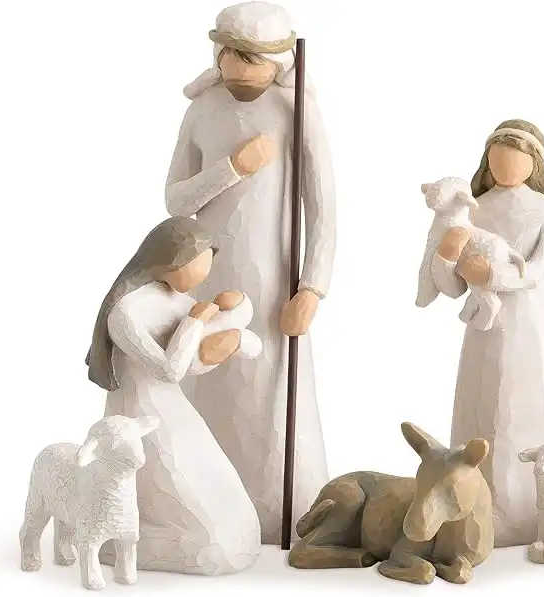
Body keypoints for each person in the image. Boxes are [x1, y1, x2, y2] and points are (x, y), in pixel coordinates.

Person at [164, 1, 336, 543]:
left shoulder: (297, 110)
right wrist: (232, 169)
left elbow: (323, 209)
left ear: (277, 61)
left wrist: (312, 287)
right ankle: (209, 509)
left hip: (274, 284)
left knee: (273, 390)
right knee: (210, 382)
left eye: (252, 57)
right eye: (230, 54)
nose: (237, 66)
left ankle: (288, 510)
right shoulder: (203, 110)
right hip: (208, 278)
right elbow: (176, 201)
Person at [418, 120, 544, 547]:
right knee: (481, 404)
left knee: (525, 403)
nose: (505, 166)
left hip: (527, 325)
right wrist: (447, 259)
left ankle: (533, 510)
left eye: (516, 158)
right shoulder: (474, 208)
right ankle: (474, 505)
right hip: (483, 329)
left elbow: (536, 270)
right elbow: (452, 287)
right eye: (497, 159)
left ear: (534, 163)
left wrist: (493, 274)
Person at [85, 216, 262, 574]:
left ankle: (183, 540)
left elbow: (191, 356)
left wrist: (237, 321)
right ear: (170, 261)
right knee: (212, 539)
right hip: (141, 419)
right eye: (196, 269)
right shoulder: (125, 312)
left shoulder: (173, 296)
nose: (201, 280)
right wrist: (196, 322)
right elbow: (170, 369)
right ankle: (110, 540)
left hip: (173, 409)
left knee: (235, 522)